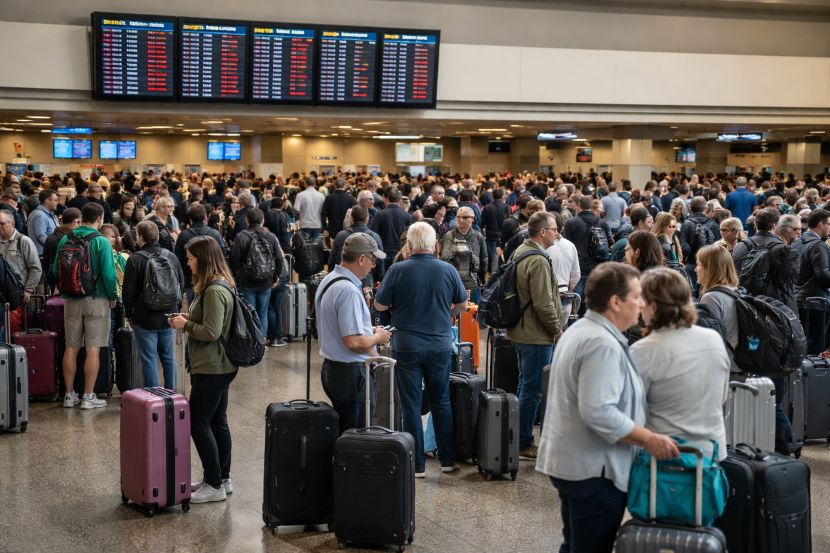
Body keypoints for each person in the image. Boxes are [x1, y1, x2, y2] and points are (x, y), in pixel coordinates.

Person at [536, 262, 679, 553]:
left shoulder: (583, 330)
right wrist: (648, 439)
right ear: (615, 302)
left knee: (575, 543)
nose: (641, 304)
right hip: (593, 472)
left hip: (575, 463)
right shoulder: (601, 343)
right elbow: (598, 411)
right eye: (636, 296)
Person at [375, 222, 467, 477]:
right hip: (439, 345)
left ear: (410, 245)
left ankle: (416, 465)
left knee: (410, 405)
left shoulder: (397, 270)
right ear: (435, 245)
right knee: (442, 402)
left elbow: (380, 306)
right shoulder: (448, 270)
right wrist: (446, 313)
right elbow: (462, 303)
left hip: (406, 346)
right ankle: (447, 460)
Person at [631, 267, 730, 462]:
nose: (638, 305)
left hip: (666, 460)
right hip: (712, 454)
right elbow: (722, 395)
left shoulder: (643, 350)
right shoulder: (713, 339)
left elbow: (631, 411)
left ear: (654, 306)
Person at [168, 237, 237, 504]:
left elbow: (211, 332)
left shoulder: (214, 290)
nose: (187, 262)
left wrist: (183, 326)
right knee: (218, 421)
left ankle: (214, 483)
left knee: (199, 423)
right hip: (218, 364)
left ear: (204, 259)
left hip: (212, 366)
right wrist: (187, 319)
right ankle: (221, 477)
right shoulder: (217, 285)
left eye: (191, 257)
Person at [316, 233, 392, 434]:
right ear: (361, 259)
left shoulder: (330, 280)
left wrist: (370, 330)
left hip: (334, 369)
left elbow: (336, 325)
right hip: (351, 373)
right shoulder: (348, 290)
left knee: (346, 430)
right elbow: (353, 341)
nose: (373, 266)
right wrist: (378, 337)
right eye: (373, 260)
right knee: (356, 435)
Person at [507, 211, 563, 459]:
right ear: (542, 232)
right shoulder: (538, 260)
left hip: (520, 330)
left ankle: (517, 436)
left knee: (524, 385)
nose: (557, 233)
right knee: (532, 390)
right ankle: (523, 441)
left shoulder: (520, 251)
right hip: (535, 335)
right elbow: (544, 303)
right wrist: (557, 328)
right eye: (553, 229)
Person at [52, 203, 118, 410]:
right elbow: (108, 274)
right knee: (93, 348)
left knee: (71, 347)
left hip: (71, 300)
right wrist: (112, 296)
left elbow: (55, 269)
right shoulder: (101, 241)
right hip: (96, 300)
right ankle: (88, 396)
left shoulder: (66, 238)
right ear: (100, 218)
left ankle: (69, 395)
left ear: (82, 217)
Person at [123, 221, 185, 389]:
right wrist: (176, 309)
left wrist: (128, 314)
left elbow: (128, 291)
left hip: (144, 317)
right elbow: (181, 283)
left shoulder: (135, 260)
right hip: (169, 315)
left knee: (148, 358)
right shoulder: (171, 256)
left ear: (140, 237)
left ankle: (155, 396)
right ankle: (171, 395)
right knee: (169, 356)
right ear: (157, 236)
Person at [229, 208, 283, 338]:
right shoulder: (271, 236)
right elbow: (279, 259)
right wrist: (275, 277)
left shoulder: (241, 237)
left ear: (247, 221)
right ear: (262, 221)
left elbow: (234, 260)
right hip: (266, 281)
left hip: (247, 280)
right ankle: (262, 341)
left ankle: (252, 342)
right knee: (263, 312)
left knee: (249, 311)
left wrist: (236, 276)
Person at [732, 208, 799, 312]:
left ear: (755, 224)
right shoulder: (784, 249)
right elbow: (790, 282)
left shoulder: (740, 246)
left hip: (744, 304)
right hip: (776, 309)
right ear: (774, 226)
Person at [562, 195, 612, 301]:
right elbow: (610, 242)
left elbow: (566, 245)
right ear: (591, 206)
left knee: (576, 301)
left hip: (578, 267)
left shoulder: (571, 223)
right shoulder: (602, 223)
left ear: (579, 206)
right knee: (593, 300)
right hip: (597, 266)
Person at [0, 209, 42, 332]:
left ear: (12, 223)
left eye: (2, 223)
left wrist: (28, 290)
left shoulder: (24, 241)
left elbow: (36, 268)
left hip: (17, 295)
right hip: (1, 296)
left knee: (13, 328)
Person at [176, 203, 227, 303]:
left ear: (190, 219)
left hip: (190, 280)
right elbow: (223, 255)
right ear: (205, 217)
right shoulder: (214, 233)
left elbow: (177, 258)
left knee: (193, 311)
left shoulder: (183, 235)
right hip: (211, 279)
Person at [329, 205, 384, 290]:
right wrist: (379, 279)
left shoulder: (341, 235)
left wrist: (333, 275)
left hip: (344, 277)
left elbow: (332, 259)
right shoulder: (374, 237)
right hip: (367, 282)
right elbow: (380, 263)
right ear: (367, 219)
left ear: (351, 218)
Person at [440, 206, 488, 304]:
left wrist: (481, 277)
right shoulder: (449, 236)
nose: (461, 220)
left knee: (473, 315)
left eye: (465, 217)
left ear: (473, 219)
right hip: (454, 283)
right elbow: (444, 258)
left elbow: (484, 259)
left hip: (473, 283)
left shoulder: (478, 236)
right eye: (458, 217)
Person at [371, 187, 411, 269]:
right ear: (400, 200)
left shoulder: (379, 215)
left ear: (387, 198)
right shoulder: (407, 216)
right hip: (400, 253)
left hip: (383, 252)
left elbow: (373, 234)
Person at [100, 223, 129, 329]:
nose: (114, 239)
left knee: (121, 328)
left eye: (115, 237)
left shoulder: (122, 255)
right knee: (109, 328)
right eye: (111, 236)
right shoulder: (102, 255)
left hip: (120, 297)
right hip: (107, 297)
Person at [44, 207, 81, 290]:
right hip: (63, 283)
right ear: (74, 222)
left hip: (58, 281)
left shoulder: (51, 237)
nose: (80, 225)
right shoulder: (63, 239)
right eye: (79, 222)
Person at [481, 188, 509, 273]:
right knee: (498, 258)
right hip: (502, 236)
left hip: (490, 236)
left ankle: (490, 277)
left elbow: (482, 223)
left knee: (491, 257)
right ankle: (496, 278)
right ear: (503, 196)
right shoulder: (506, 207)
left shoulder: (487, 207)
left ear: (493, 196)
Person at [26, 189, 60, 257]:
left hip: (47, 253)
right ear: (47, 200)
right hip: (42, 255)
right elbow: (41, 236)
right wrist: (56, 246)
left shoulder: (49, 214)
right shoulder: (39, 215)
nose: (58, 202)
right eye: (55, 200)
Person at [294, 176, 325, 240]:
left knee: (304, 246)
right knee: (315, 246)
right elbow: (323, 210)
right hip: (317, 224)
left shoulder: (300, 195)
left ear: (305, 184)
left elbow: (296, 209)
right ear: (315, 184)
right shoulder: (321, 195)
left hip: (304, 223)